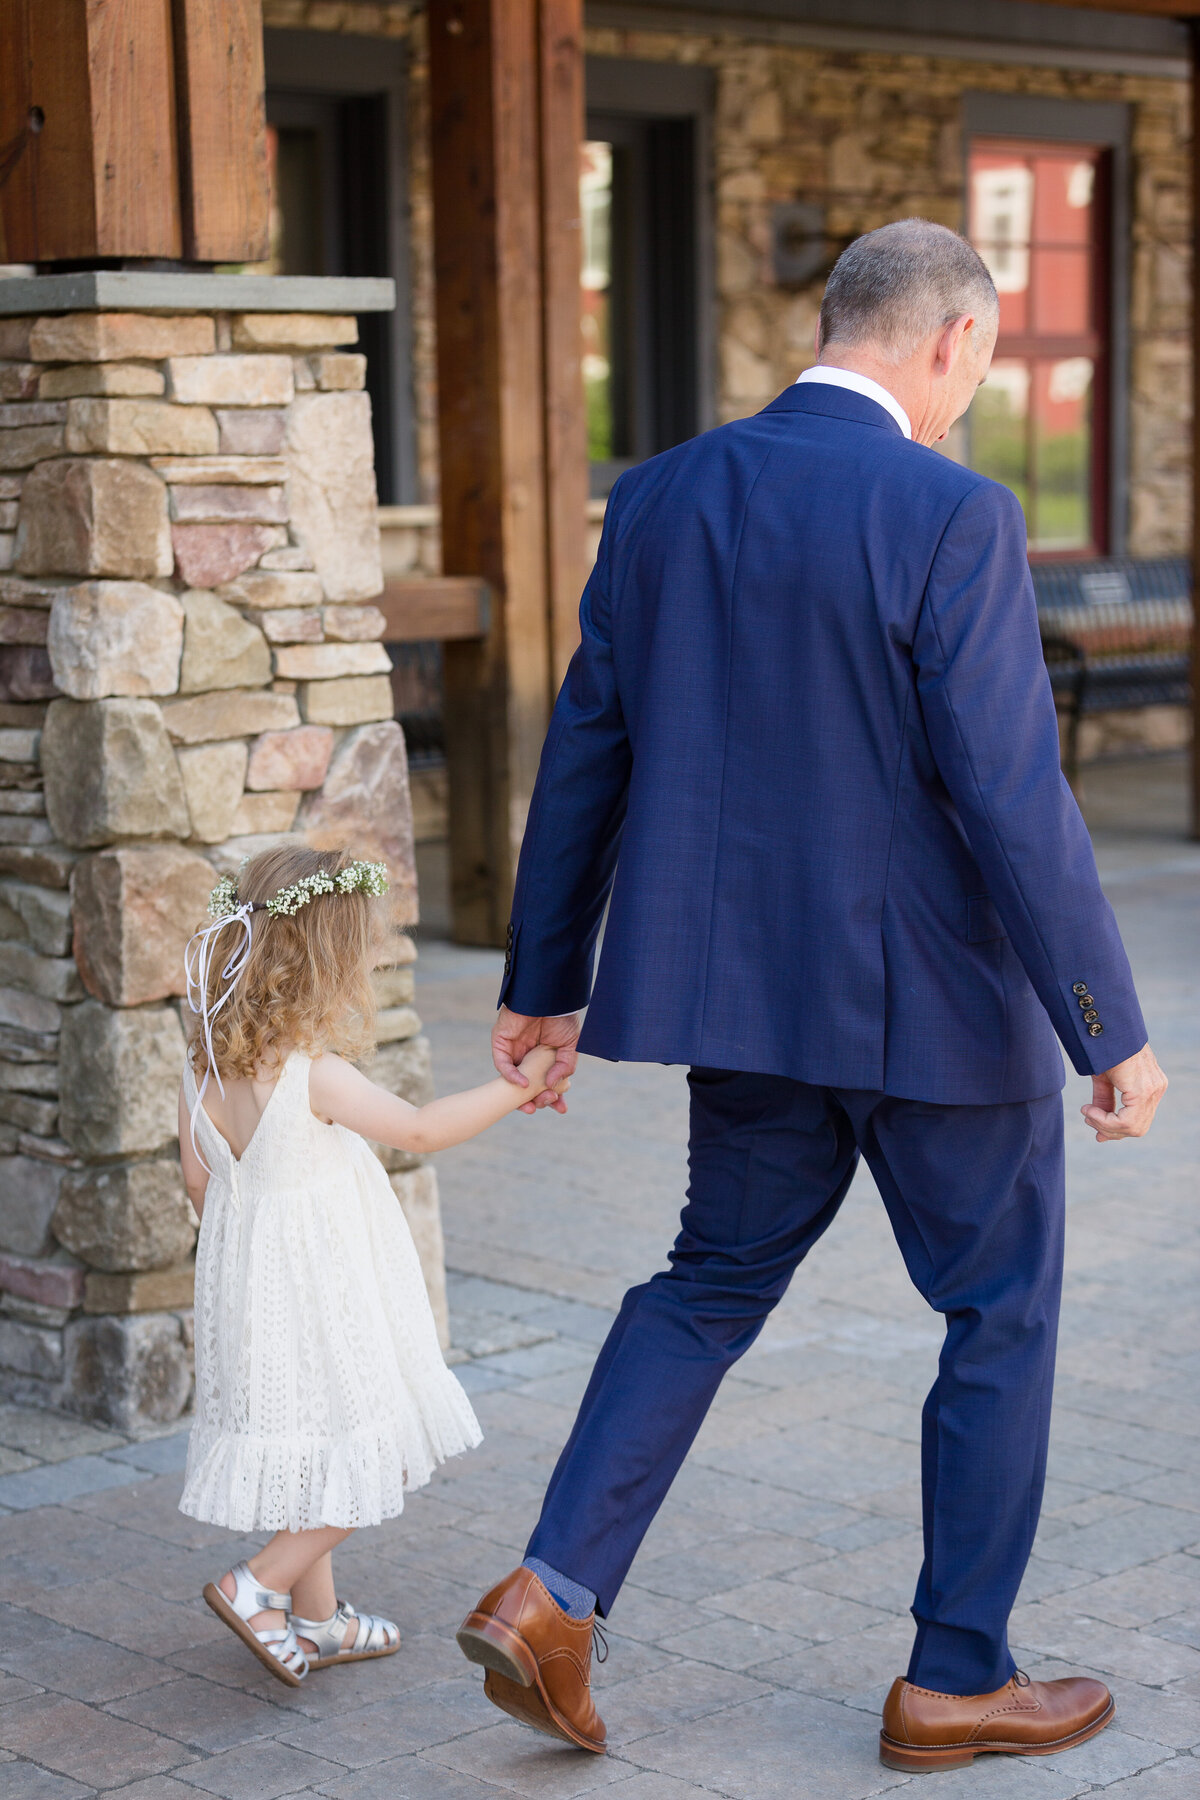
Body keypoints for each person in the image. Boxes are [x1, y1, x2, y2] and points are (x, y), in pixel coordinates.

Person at [455, 219, 1168, 1769]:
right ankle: (955, 1676)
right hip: (939, 1022)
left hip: (743, 1010)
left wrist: (542, 986)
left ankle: (552, 1589)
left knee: (706, 1284)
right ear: (952, 344)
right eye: (980, 362)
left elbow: (587, 756)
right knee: (999, 1309)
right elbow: (1010, 795)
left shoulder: (655, 500)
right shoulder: (952, 513)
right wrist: (1105, 1028)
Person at [177, 844, 566, 1688]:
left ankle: (317, 1620)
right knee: (376, 1450)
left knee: (302, 1452)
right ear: (320, 966)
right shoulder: (310, 1075)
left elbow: (198, 1181)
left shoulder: (203, 1067)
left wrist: (255, 1256)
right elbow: (422, 1128)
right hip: (326, 1292)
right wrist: (521, 1084)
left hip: (251, 1292)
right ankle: (260, 1586)